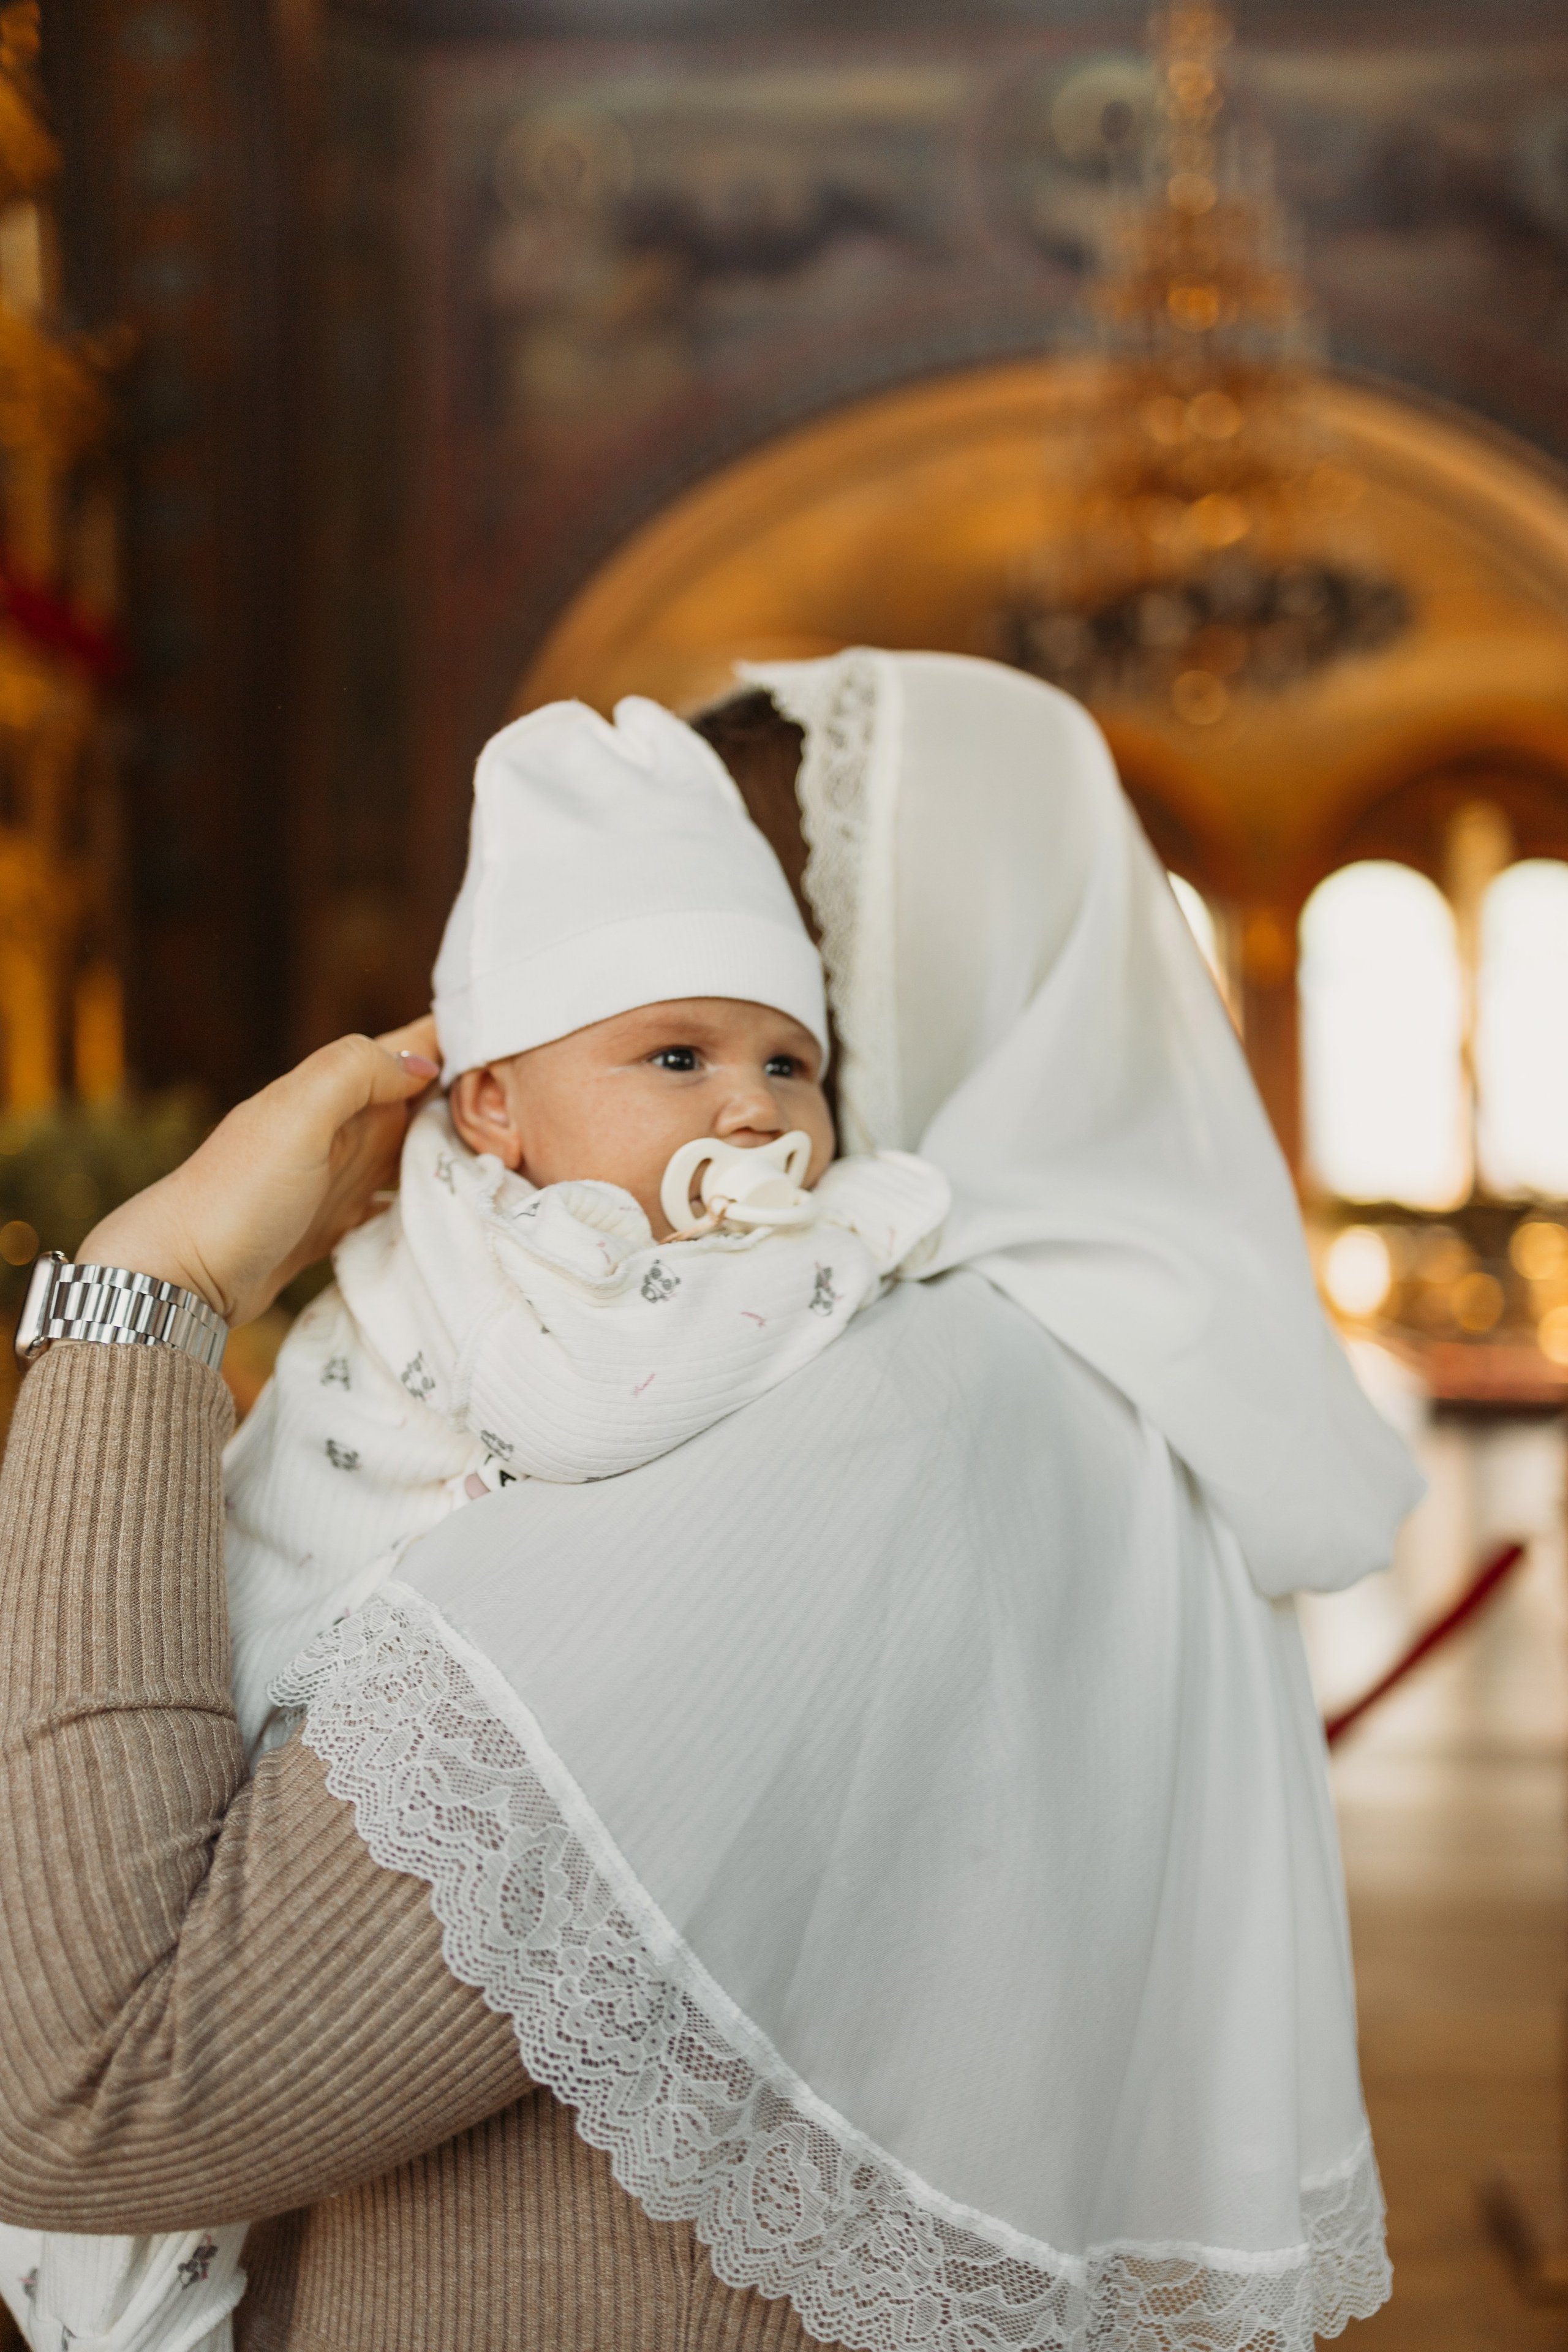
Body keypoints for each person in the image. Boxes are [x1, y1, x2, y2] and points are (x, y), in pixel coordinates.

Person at [0, 650, 1422, 2352]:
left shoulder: (867, 1418)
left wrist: (146, 1289)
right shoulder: (1109, 1396)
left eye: (785, 1026)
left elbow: (97, 2088)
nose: (740, 1110)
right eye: (665, 1043)